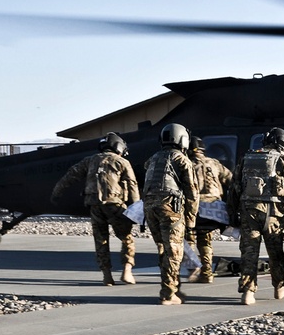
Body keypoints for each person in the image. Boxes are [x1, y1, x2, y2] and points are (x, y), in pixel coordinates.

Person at [51, 132, 139, 286]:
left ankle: (107, 276)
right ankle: (127, 271)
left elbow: (70, 175)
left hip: (94, 206)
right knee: (127, 238)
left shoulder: (90, 160)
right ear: (118, 146)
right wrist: (137, 210)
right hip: (115, 205)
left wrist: (56, 192)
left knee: (101, 240)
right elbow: (132, 185)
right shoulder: (122, 162)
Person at [232, 127, 284, 305]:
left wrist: (232, 213)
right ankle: (280, 286)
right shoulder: (282, 161)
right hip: (273, 215)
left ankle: (248, 293)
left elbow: (234, 188)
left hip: (249, 213)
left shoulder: (246, 158)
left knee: (249, 253)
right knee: (276, 253)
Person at [142, 123, 198, 305]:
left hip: (150, 208)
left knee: (164, 249)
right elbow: (192, 191)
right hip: (170, 208)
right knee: (174, 252)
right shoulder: (181, 159)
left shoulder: (153, 158)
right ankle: (168, 293)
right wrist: (191, 220)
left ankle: (171, 286)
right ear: (183, 139)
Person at [185, 136, 233, 283]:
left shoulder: (187, 164)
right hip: (215, 210)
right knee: (205, 241)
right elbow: (231, 180)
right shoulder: (214, 163)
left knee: (188, 239)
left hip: (195, 208)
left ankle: (193, 267)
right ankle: (207, 274)